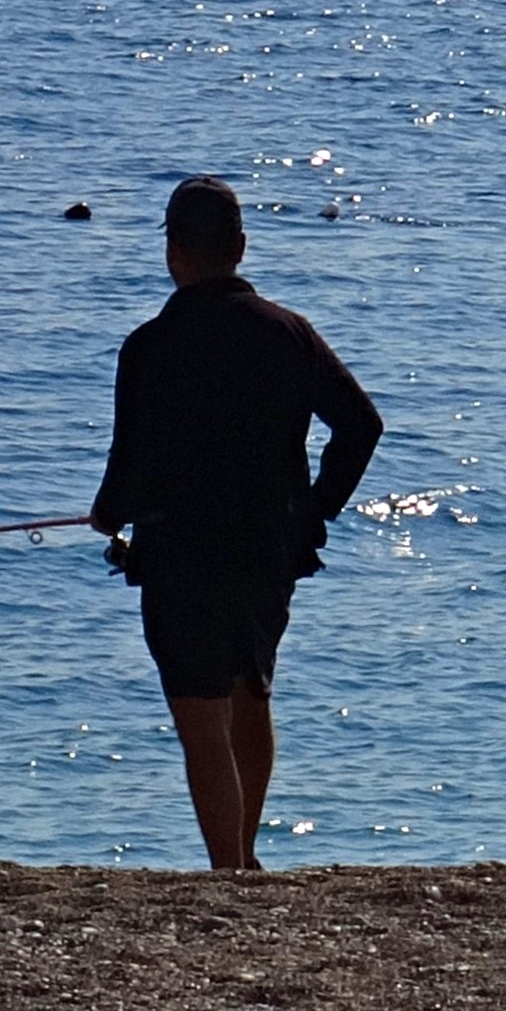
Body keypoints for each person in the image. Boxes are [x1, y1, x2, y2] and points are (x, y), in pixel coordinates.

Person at [89, 175, 383, 871]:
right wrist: (315, 512)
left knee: (203, 720)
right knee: (252, 693)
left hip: (181, 553)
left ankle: (229, 868)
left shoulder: (149, 347)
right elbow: (361, 425)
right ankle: (244, 855)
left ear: (174, 250)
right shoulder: (289, 333)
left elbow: (126, 469)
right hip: (268, 550)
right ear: (241, 247)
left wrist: (106, 517)